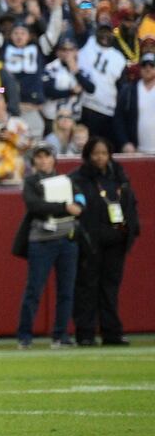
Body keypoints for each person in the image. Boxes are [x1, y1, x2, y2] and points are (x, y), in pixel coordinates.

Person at [70, 136, 139, 347]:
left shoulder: (119, 176)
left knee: (110, 288)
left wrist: (129, 231)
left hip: (116, 241)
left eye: (103, 153)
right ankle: (86, 332)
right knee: (87, 288)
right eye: (95, 153)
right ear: (88, 155)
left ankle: (112, 332)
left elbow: (129, 206)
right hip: (90, 242)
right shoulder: (78, 178)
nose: (100, 158)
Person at [16, 144, 80, 350]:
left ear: (54, 159)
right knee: (34, 289)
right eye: (39, 157)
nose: (43, 161)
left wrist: (80, 206)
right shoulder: (31, 182)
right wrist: (65, 207)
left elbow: (80, 198)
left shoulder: (67, 181)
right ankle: (25, 335)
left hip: (67, 239)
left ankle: (60, 334)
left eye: (47, 157)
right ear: (34, 161)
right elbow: (35, 206)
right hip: (42, 240)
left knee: (67, 290)